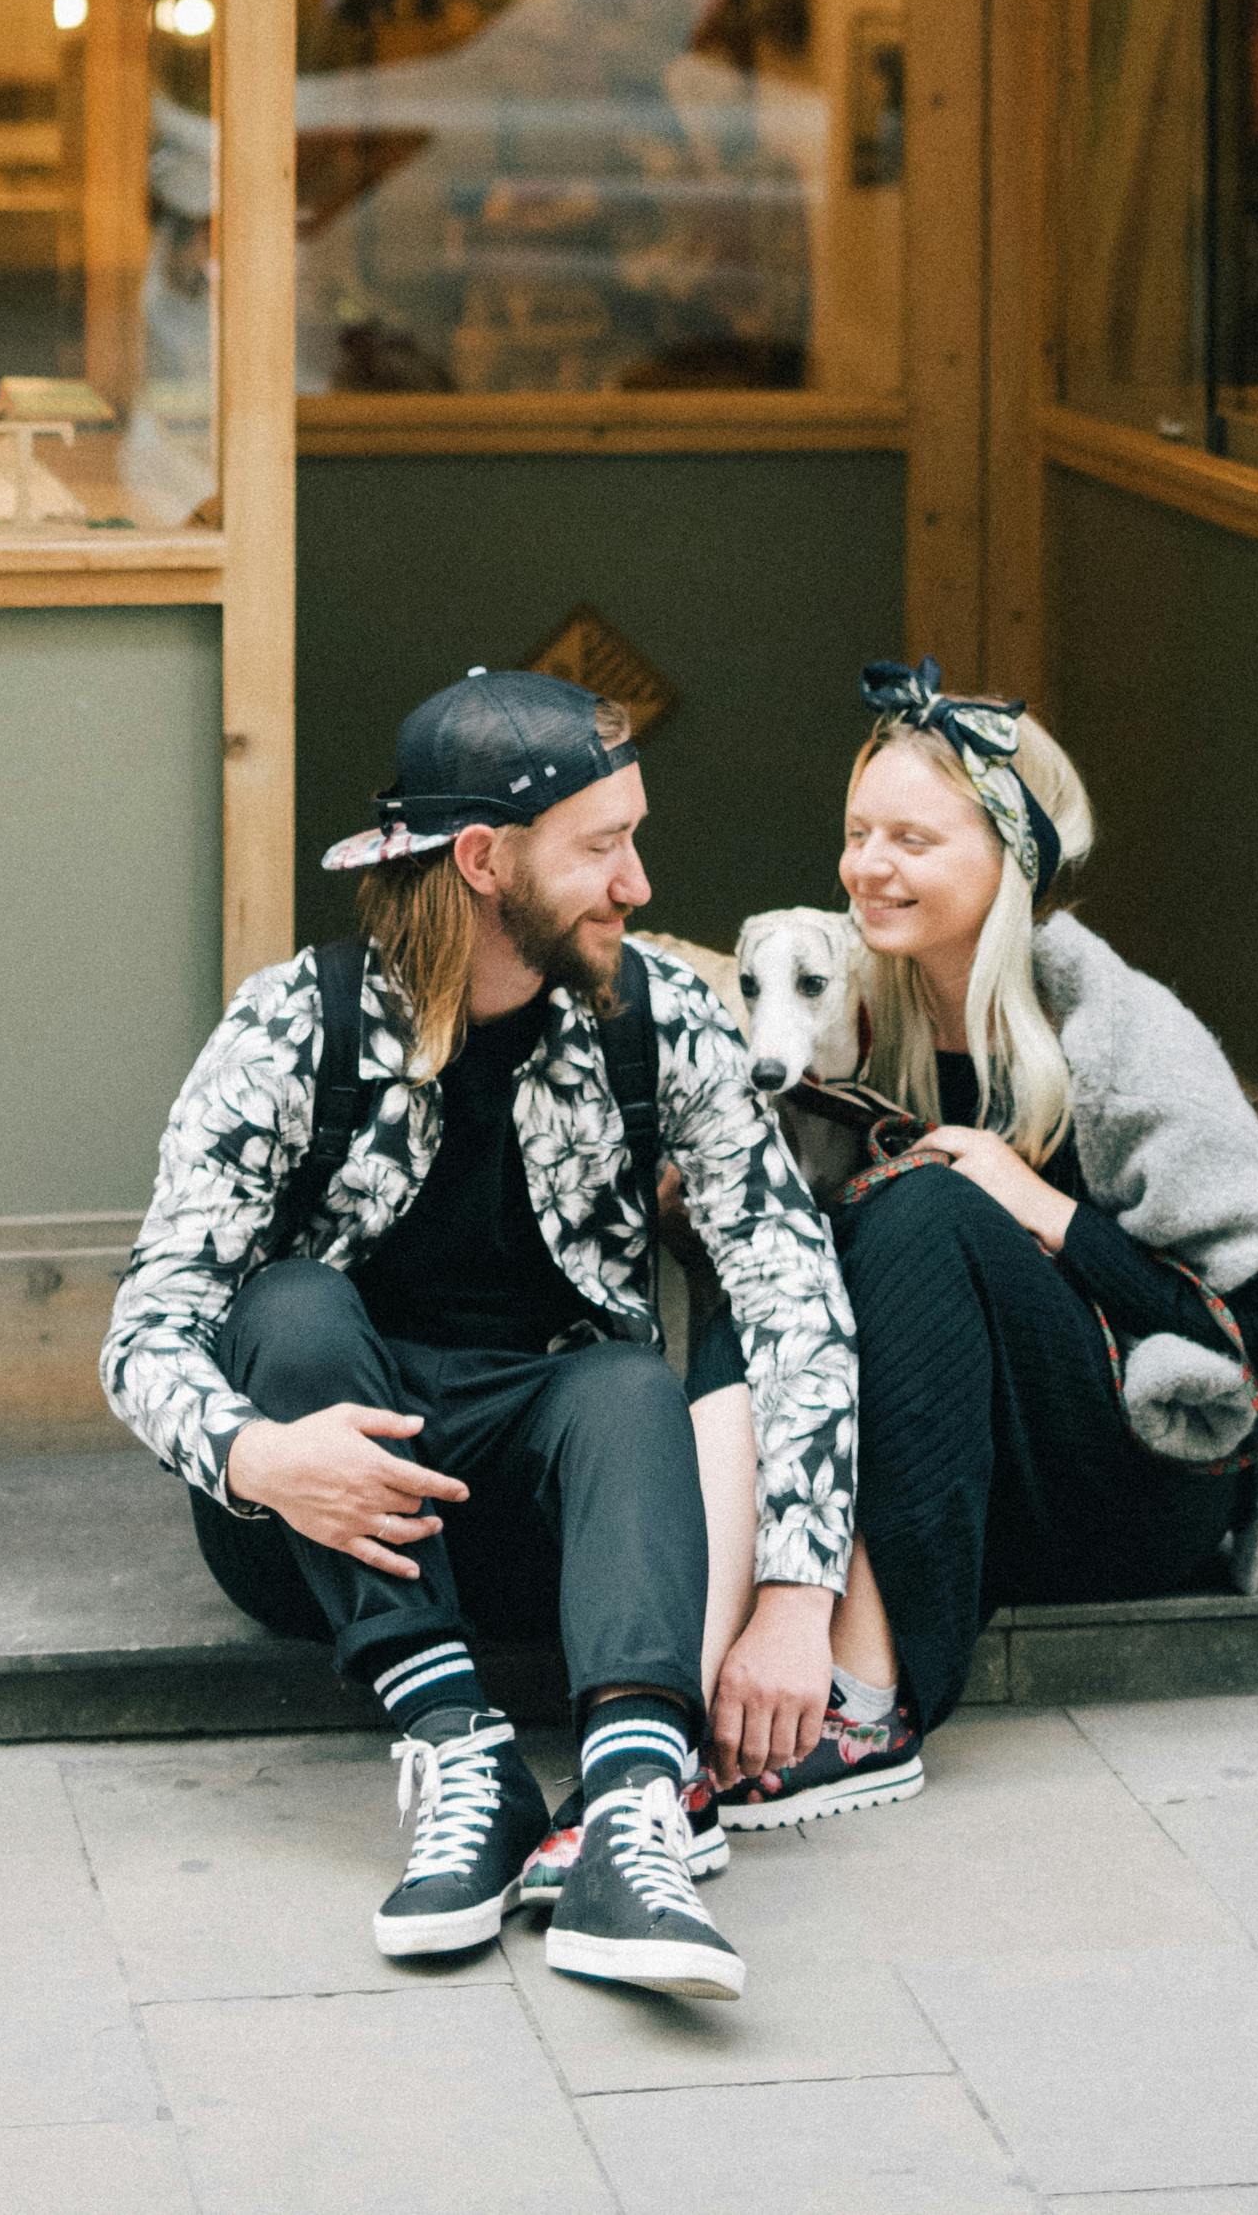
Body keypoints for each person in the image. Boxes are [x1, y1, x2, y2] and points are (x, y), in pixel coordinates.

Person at [101, 666, 855, 1997]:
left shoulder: (661, 1024)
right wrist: (262, 1461)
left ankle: (628, 1815)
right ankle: (461, 1752)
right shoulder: (295, 1027)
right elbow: (148, 1330)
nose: (637, 885)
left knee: (626, 1384)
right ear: (483, 860)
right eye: (603, 847)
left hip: (565, 1530)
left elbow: (793, 1293)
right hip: (318, 1532)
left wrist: (799, 1588)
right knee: (288, 1307)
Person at [710, 659, 1258, 1824]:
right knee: (769, 1242)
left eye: (913, 840)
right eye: (856, 832)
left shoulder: (1117, 1034)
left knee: (936, 1201)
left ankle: (871, 1701)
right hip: (962, 1486)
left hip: (1137, 1485)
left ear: (1010, 859)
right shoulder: (840, 1013)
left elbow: (1246, 1345)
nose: (868, 867)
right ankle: (687, 1679)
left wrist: (1043, 1210)